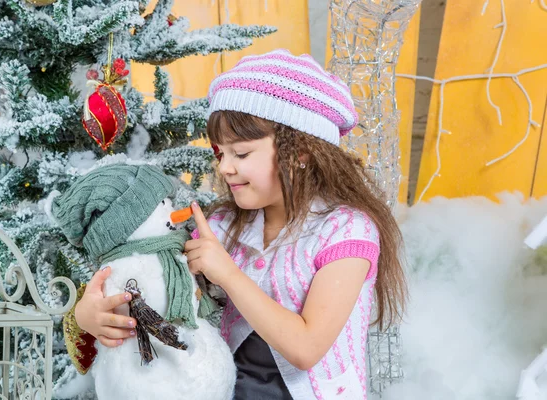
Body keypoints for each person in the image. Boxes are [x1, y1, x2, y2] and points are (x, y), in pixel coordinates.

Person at [75, 48, 407, 400]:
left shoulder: (347, 231)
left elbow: (307, 347)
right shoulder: (220, 226)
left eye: (242, 153)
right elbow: (148, 280)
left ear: (300, 153)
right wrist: (86, 316)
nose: (225, 168)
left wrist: (229, 274)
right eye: (221, 153)